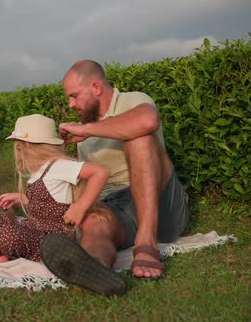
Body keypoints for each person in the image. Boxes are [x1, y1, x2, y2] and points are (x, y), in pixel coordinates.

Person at [41, 60, 189, 282]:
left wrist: (88, 130)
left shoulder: (133, 100)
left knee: (139, 139)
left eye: (74, 96)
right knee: (93, 222)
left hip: (162, 205)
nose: (70, 104)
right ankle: (96, 270)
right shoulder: (84, 135)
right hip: (119, 210)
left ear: (96, 88)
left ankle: (147, 244)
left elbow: (148, 121)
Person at [0, 114, 127, 296]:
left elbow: (100, 172)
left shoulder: (59, 166)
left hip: (52, 239)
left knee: (10, 234)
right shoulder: (39, 172)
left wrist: (80, 206)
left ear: (25, 147)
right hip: (35, 229)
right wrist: (21, 198)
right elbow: (45, 202)